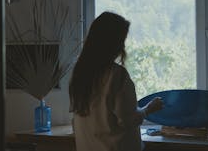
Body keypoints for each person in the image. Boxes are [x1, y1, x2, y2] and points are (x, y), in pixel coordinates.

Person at [69, 11, 164, 151]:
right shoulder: (116, 75)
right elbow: (128, 120)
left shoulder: (79, 74)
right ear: (112, 43)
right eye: (121, 41)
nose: (122, 47)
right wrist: (149, 109)